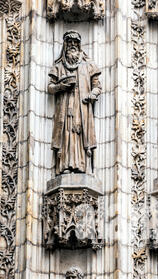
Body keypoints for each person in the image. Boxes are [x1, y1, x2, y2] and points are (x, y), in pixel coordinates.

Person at [48, 31, 102, 174]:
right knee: (66, 133)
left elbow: (97, 86)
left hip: (82, 106)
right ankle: (65, 166)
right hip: (65, 108)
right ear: (65, 45)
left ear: (79, 46)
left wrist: (92, 94)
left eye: (75, 43)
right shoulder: (59, 67)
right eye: (69, 42)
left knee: (80, 133)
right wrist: (60, 87)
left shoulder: (88, 65)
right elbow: (50, 87)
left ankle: (81, 165)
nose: (72, 45)